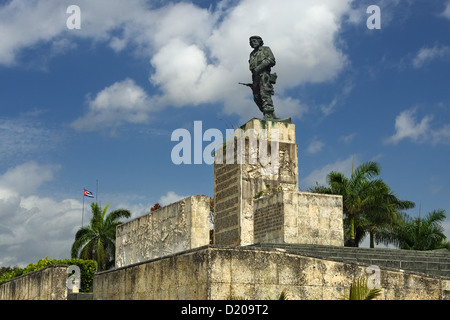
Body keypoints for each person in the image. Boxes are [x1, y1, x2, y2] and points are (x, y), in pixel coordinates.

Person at [248, 36, 278, 120]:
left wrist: (260, 67)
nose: (252, 43)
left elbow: (271, 60)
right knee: (256, 96)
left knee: (265, 93)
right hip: (255, 77)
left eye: (254, 41)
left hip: (264, 74)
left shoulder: (265, 49)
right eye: (250, 42)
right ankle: (266, 112)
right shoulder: (252, 54)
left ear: (259, 41)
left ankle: (269, 113)